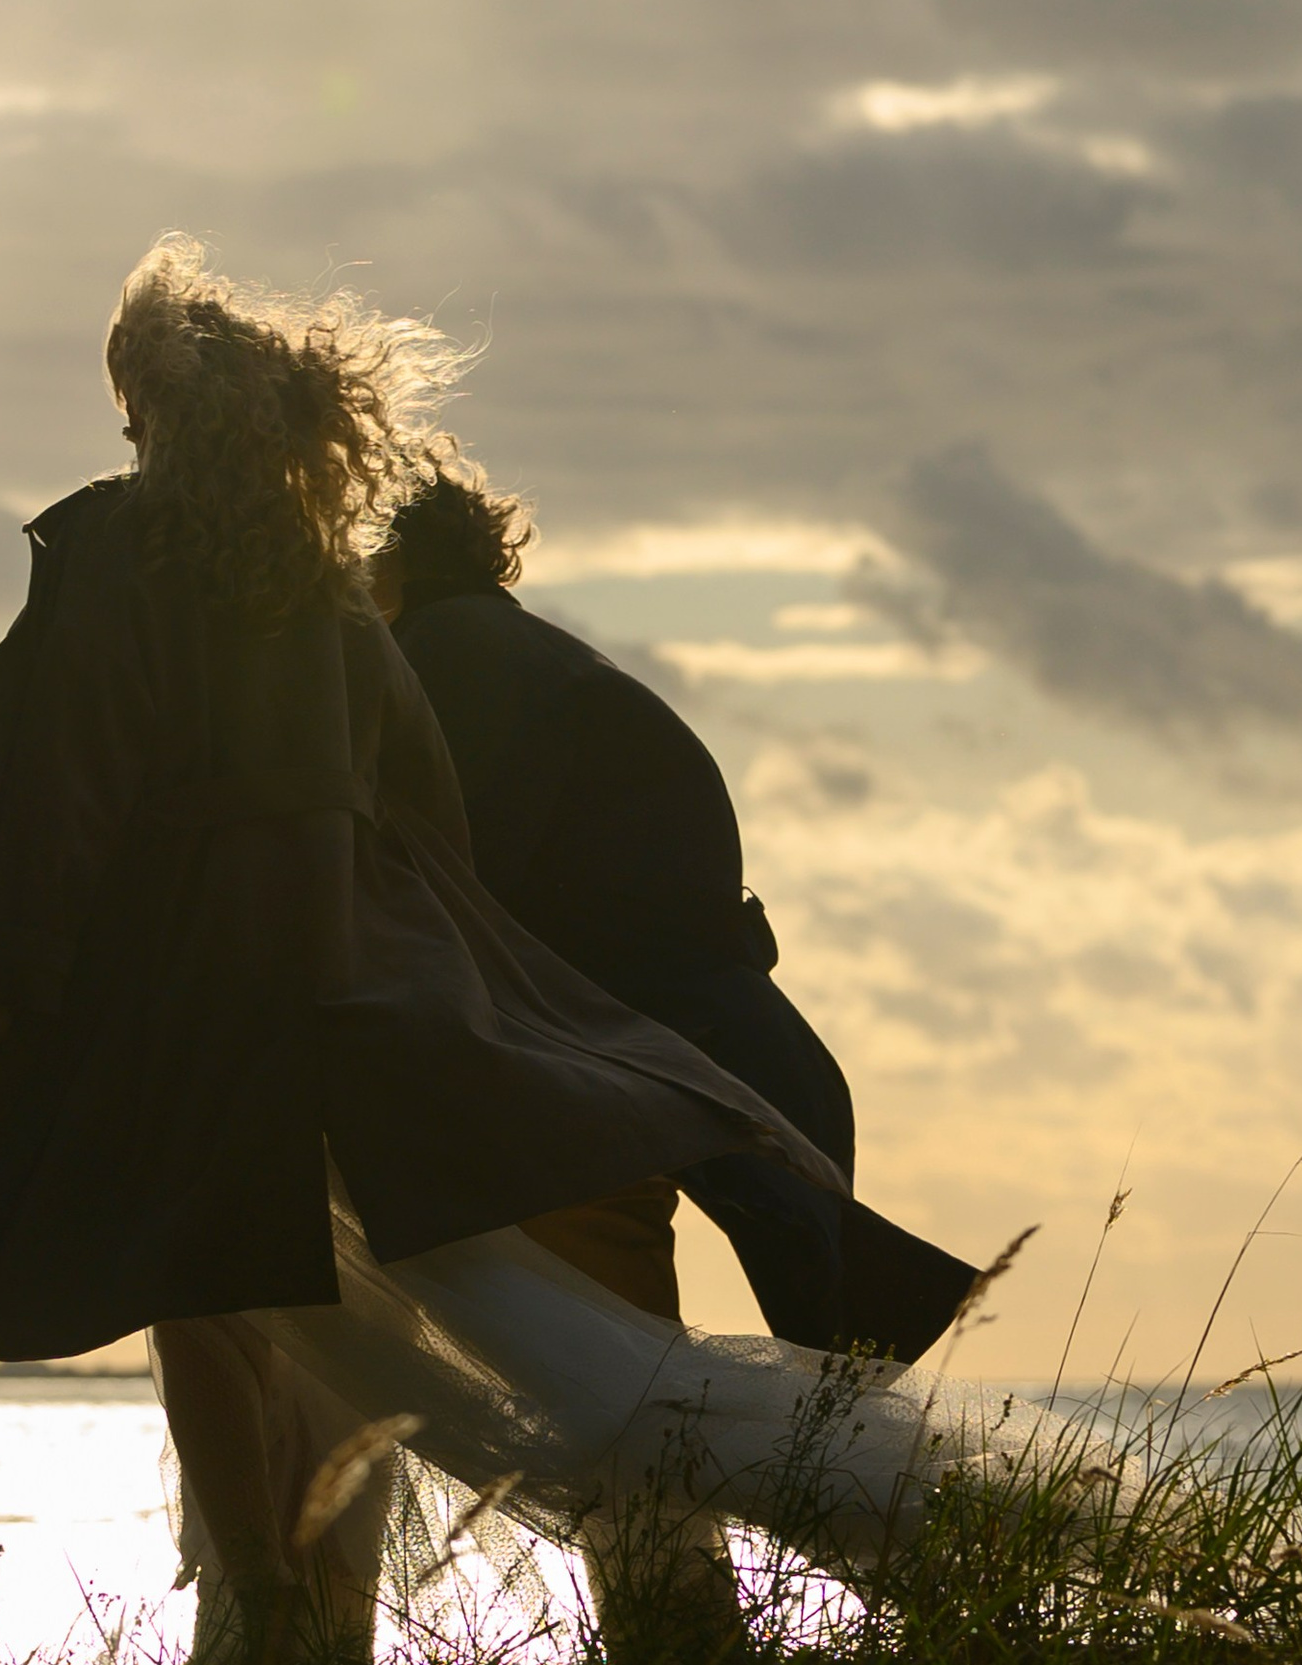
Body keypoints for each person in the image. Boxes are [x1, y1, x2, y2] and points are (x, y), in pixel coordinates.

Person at [0, 241, 1065, 1665]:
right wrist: (422, 987)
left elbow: (65, 798)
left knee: (208, 1316)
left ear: (157, 417)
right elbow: (429, 821)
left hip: (181, 1000)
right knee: (522, 1340)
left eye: (128, 412)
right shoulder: (333, 604)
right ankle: (879, 1534)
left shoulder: (116, 564)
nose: (122, 439)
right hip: (338, 995)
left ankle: (277, 1650)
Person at [378, 463, 972, 1363]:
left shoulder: (450, 648)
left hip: (634, 1045)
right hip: (721, 1043)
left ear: (391, 558)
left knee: (633, 1360)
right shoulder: (524, 646)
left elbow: (458, 869)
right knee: (805, 1353)